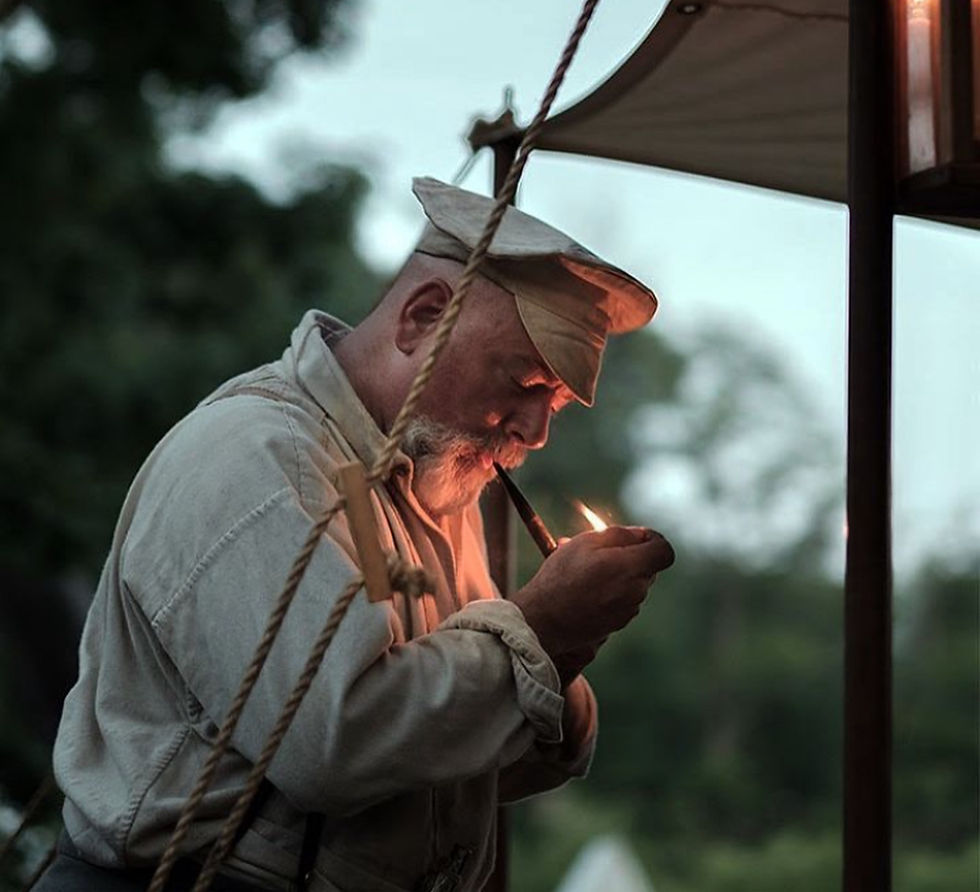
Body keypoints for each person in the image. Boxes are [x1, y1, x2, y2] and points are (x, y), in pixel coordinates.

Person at [37, 178, 674, 892]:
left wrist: (562, 646)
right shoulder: (258, 457)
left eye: (552, 404)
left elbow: (455, 764)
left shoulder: (425, 489)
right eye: (523, 382)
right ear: (423, 317)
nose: (536, 432)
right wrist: (544, 630)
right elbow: (332, 745)